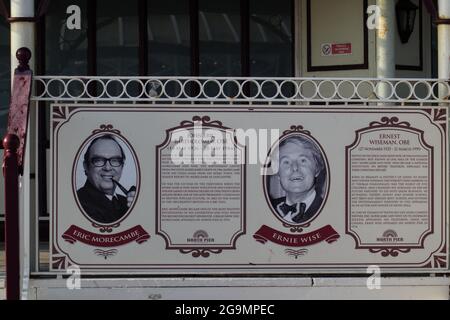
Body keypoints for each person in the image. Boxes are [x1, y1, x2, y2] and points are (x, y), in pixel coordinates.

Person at [77, 134, 136, 224]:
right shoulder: (78, 204)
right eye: (99, 160)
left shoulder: (126, 202)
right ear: (86, 166)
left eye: (115, 160)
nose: (108, 168)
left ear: (122, 166)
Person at [270, 135, 325, 224]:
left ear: (317, 169)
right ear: (278, 174)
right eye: (286, 162)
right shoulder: (266, 208)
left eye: (303, 160)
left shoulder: (331, 210)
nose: (295, 167)